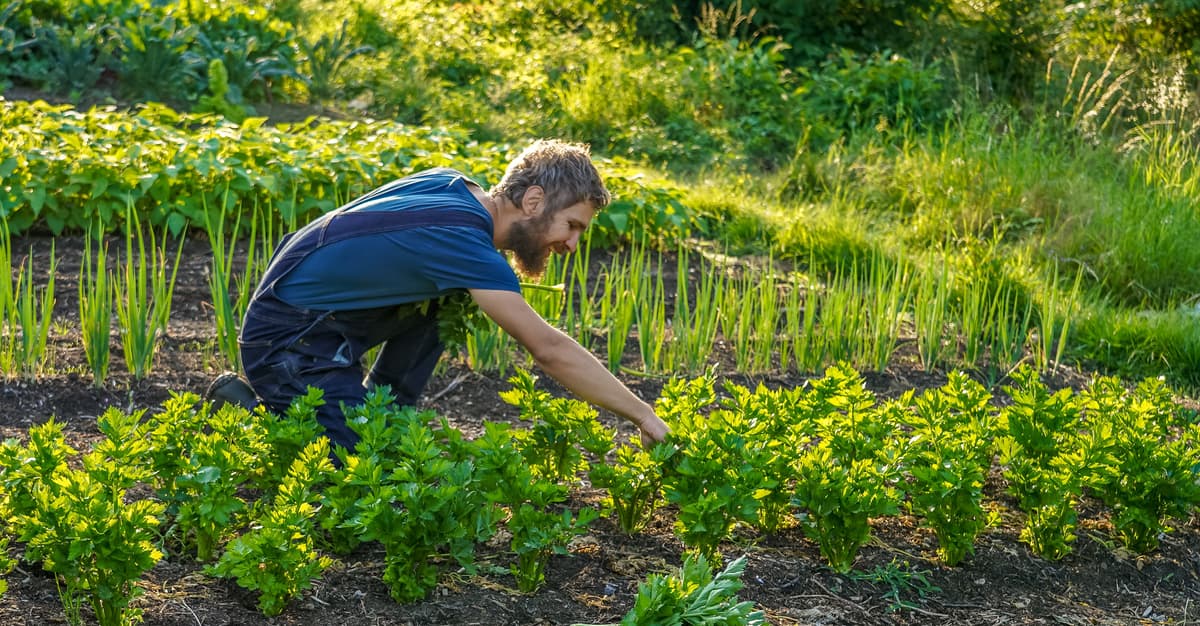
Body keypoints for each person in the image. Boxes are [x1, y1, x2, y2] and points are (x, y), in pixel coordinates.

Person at [206, 139, 670, 451]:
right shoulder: (463, 240)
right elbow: (548, 349)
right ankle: (253, 415)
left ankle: (383, 414)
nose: (570, 245)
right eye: (571, 226)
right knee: (361, 474)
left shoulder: (452, 186)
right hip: (287, 340)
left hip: (317, 318)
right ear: (533, 201)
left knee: (451, 298)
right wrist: (641, 413)